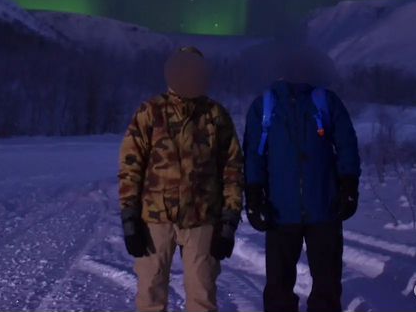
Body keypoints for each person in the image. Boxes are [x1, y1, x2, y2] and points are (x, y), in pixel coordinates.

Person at [118, 46, 244, 312]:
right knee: (150, 293)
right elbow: (131, 166)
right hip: (155, 218)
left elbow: (232, 169)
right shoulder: (151, 111)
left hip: (202, 218)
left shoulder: (215, 115)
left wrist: (229, 222)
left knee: (202, 295)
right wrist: (129, 217)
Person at [243, 45, 361, 312]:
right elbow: (253, 155)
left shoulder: (326, 101)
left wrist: (349, 185)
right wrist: (253, 196)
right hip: (280, 211)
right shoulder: (265, 105)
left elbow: (347, 145)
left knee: (327, 285)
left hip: (324, 209)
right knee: (279, 287)